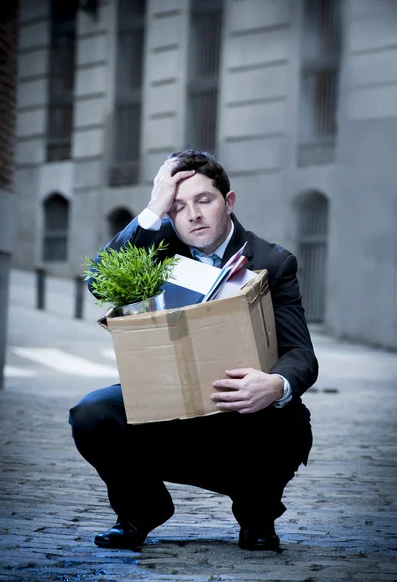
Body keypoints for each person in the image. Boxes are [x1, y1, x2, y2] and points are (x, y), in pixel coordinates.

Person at [69, 150, 318, 552]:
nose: (193, 215)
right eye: (178, 206)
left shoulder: (273, 261)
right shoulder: (157, 250)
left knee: (287, 421)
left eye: (204, 200)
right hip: (170, 409)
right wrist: (153, 208)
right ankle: (141, 511)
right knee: (92, 414)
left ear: (228, 202)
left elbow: (301, 354)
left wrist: (274, 383)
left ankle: (257, 516)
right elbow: (99, 281)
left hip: (243, 415)